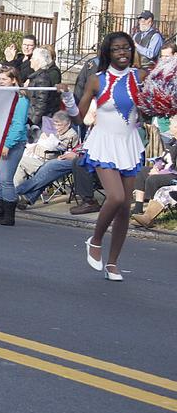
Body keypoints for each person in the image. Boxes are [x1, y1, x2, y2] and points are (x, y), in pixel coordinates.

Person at [60, 32, 146, 282]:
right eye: (117, 49)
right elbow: (78, 117)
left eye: (127, 48)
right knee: (116, 197)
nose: (123, 53)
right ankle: (95, 239)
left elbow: (153, 103)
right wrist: (66, 97)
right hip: (104, 144)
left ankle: (113, 263)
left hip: (129, 144)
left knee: (124, 211)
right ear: (108, 53)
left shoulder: (140, 77)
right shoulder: (97, 80)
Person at [0, 67, 29, 225]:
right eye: (0, 79)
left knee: (6, 179)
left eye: (4, 79)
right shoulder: (3, 97)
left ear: (13, 80)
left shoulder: (21, 99)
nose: (0, 82)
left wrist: (8, 144)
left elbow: (18, 125)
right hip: (0, 140)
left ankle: (9, 214)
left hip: (13, 142)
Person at [14, 111, 80, 185]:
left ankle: (20, 191)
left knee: (21, 162)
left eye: (60, 125)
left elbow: (53, 154)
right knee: (20, 159)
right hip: (44, 161)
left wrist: (35, 149)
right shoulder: (57, 132)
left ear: (68, 124)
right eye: (55, 125)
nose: (57, 128)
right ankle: (21, 190)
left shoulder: (71, 135)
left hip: (51, 165)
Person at [23, 47, 61, 128]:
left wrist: (32, 123)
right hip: (32, 116)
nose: (30, 60)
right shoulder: (36, 77)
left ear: (38, 60)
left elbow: (40, 104)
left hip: (39, 122)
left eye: (32, 58)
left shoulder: (42, 79)